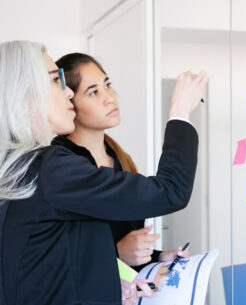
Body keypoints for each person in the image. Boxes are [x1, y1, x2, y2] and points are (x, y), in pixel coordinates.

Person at [0, 40, 208, 305]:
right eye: (56, 81)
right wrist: (180, 112)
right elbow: (171, 191)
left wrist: (117, 277)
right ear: (24, 94)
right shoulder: (51, 169)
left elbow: (64, 259)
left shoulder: (23, 169)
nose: (67, 94)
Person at [53, 53, 189, 271]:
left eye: (107, 85)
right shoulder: (59, 165)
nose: (109, 97)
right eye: (94, 92)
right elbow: (55, 258)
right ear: (70, 103)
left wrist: (158, 257)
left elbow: (125, 251)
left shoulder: (120, 159)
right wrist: (116, 252)